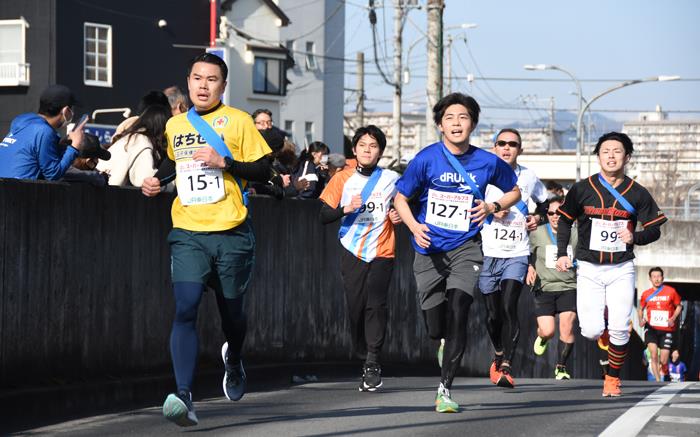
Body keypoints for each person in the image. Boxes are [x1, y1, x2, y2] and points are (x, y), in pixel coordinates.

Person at [141, 53, 272, 427]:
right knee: (185, 307)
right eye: (197, 78)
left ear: (223, 85)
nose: (203, 85)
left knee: (233, 316)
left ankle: (233, 356)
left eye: (211, 79)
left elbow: (264, 170)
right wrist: (155, 181)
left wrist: (225, 162)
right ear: (188, 81)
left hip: (231, 233)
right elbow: (172, 164)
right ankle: (184, 395)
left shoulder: (240, 122)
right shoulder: (176, 124)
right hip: (188, 232)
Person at [393, 93, 521, 413]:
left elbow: (515, 191)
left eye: (463, 117)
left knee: (460, 311)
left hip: (467, 248)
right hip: (428, 249)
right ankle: (441, 341)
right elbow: (400, 199)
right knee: (436, 326)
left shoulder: (488, 161)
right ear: (440, 125)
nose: (456, 123)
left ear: (473, 124)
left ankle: (444, 389)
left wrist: (492, 206)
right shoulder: (426, 158)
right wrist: (414, 227)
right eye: (449, 118)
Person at [555, 131, 668, 397]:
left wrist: (635, 236)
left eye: (617, 151)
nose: (611, 156)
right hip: (589, 268)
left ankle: (612, 379)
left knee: (620, 328)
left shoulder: (638, 192)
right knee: (592, 329)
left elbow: (655, 229)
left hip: (621, 268)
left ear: (627, 157)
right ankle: (605, 333)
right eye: (605, 151)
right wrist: (562, 253)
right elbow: (564, 220)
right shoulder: (582, 188)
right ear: (598, 156)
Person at [319, 125, 401, 392]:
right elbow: (322, 216)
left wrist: (396, 214)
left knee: (376, 305)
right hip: (352, 248)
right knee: (356, 307)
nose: (368, 150)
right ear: (354, 150)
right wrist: (347, 208)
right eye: (363, 145)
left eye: (373, 146)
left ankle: (373, 361)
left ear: (380, 152)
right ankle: (361, 347)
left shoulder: (391, 178)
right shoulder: (342, 178)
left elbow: (405, 204)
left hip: (382, 249)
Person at [479, 128, 547, 389]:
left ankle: (507, 364)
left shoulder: (529, 177)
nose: (507, 148)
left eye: (513, 144)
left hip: (517, 253)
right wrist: (489, 211)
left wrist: (536, 218)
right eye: (501, 143)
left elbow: (544, 203)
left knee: (509, 306)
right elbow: (467, 202)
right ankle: (498, 352)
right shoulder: (483, 174)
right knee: (492, 315)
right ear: (494, 147)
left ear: (521, 149)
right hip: (489, 252)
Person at [528, 196, 578, 380]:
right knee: (548, 330)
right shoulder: (537, 233)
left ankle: (561, 367)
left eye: (559, 213)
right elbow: (526, 252)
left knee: (567, 327)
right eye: (551, 213)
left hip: (569, 286)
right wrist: (530, 266)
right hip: (545, 287)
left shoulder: (575, 234)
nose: (555, 216)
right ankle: (542, 337)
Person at [0, 84, 87, 180]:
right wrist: (75, 146)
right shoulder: (44, 131)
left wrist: (62, 145)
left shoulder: (21, 120)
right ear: (66, 111)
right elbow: (53, 174)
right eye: (72, 109)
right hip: (18, 190)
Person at [97, 103, 171, 187]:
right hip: (107, 193)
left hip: (99, 188)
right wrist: (174, 184)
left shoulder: (131, 138)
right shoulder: (142, 143)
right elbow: (146, 181)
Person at [638, 267, 682, 382]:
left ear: (662, 278)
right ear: (650, 279)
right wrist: (641, 319)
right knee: (653, 355)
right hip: (651, 328)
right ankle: (658, 382)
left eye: (658, 277)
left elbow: (679, 306)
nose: (656, 279)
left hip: (666, 329)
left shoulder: (670, 291)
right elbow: (640, 309)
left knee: (663, 359)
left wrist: (673, 318)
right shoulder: (646, 294)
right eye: (654, 277)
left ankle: (665, 371)